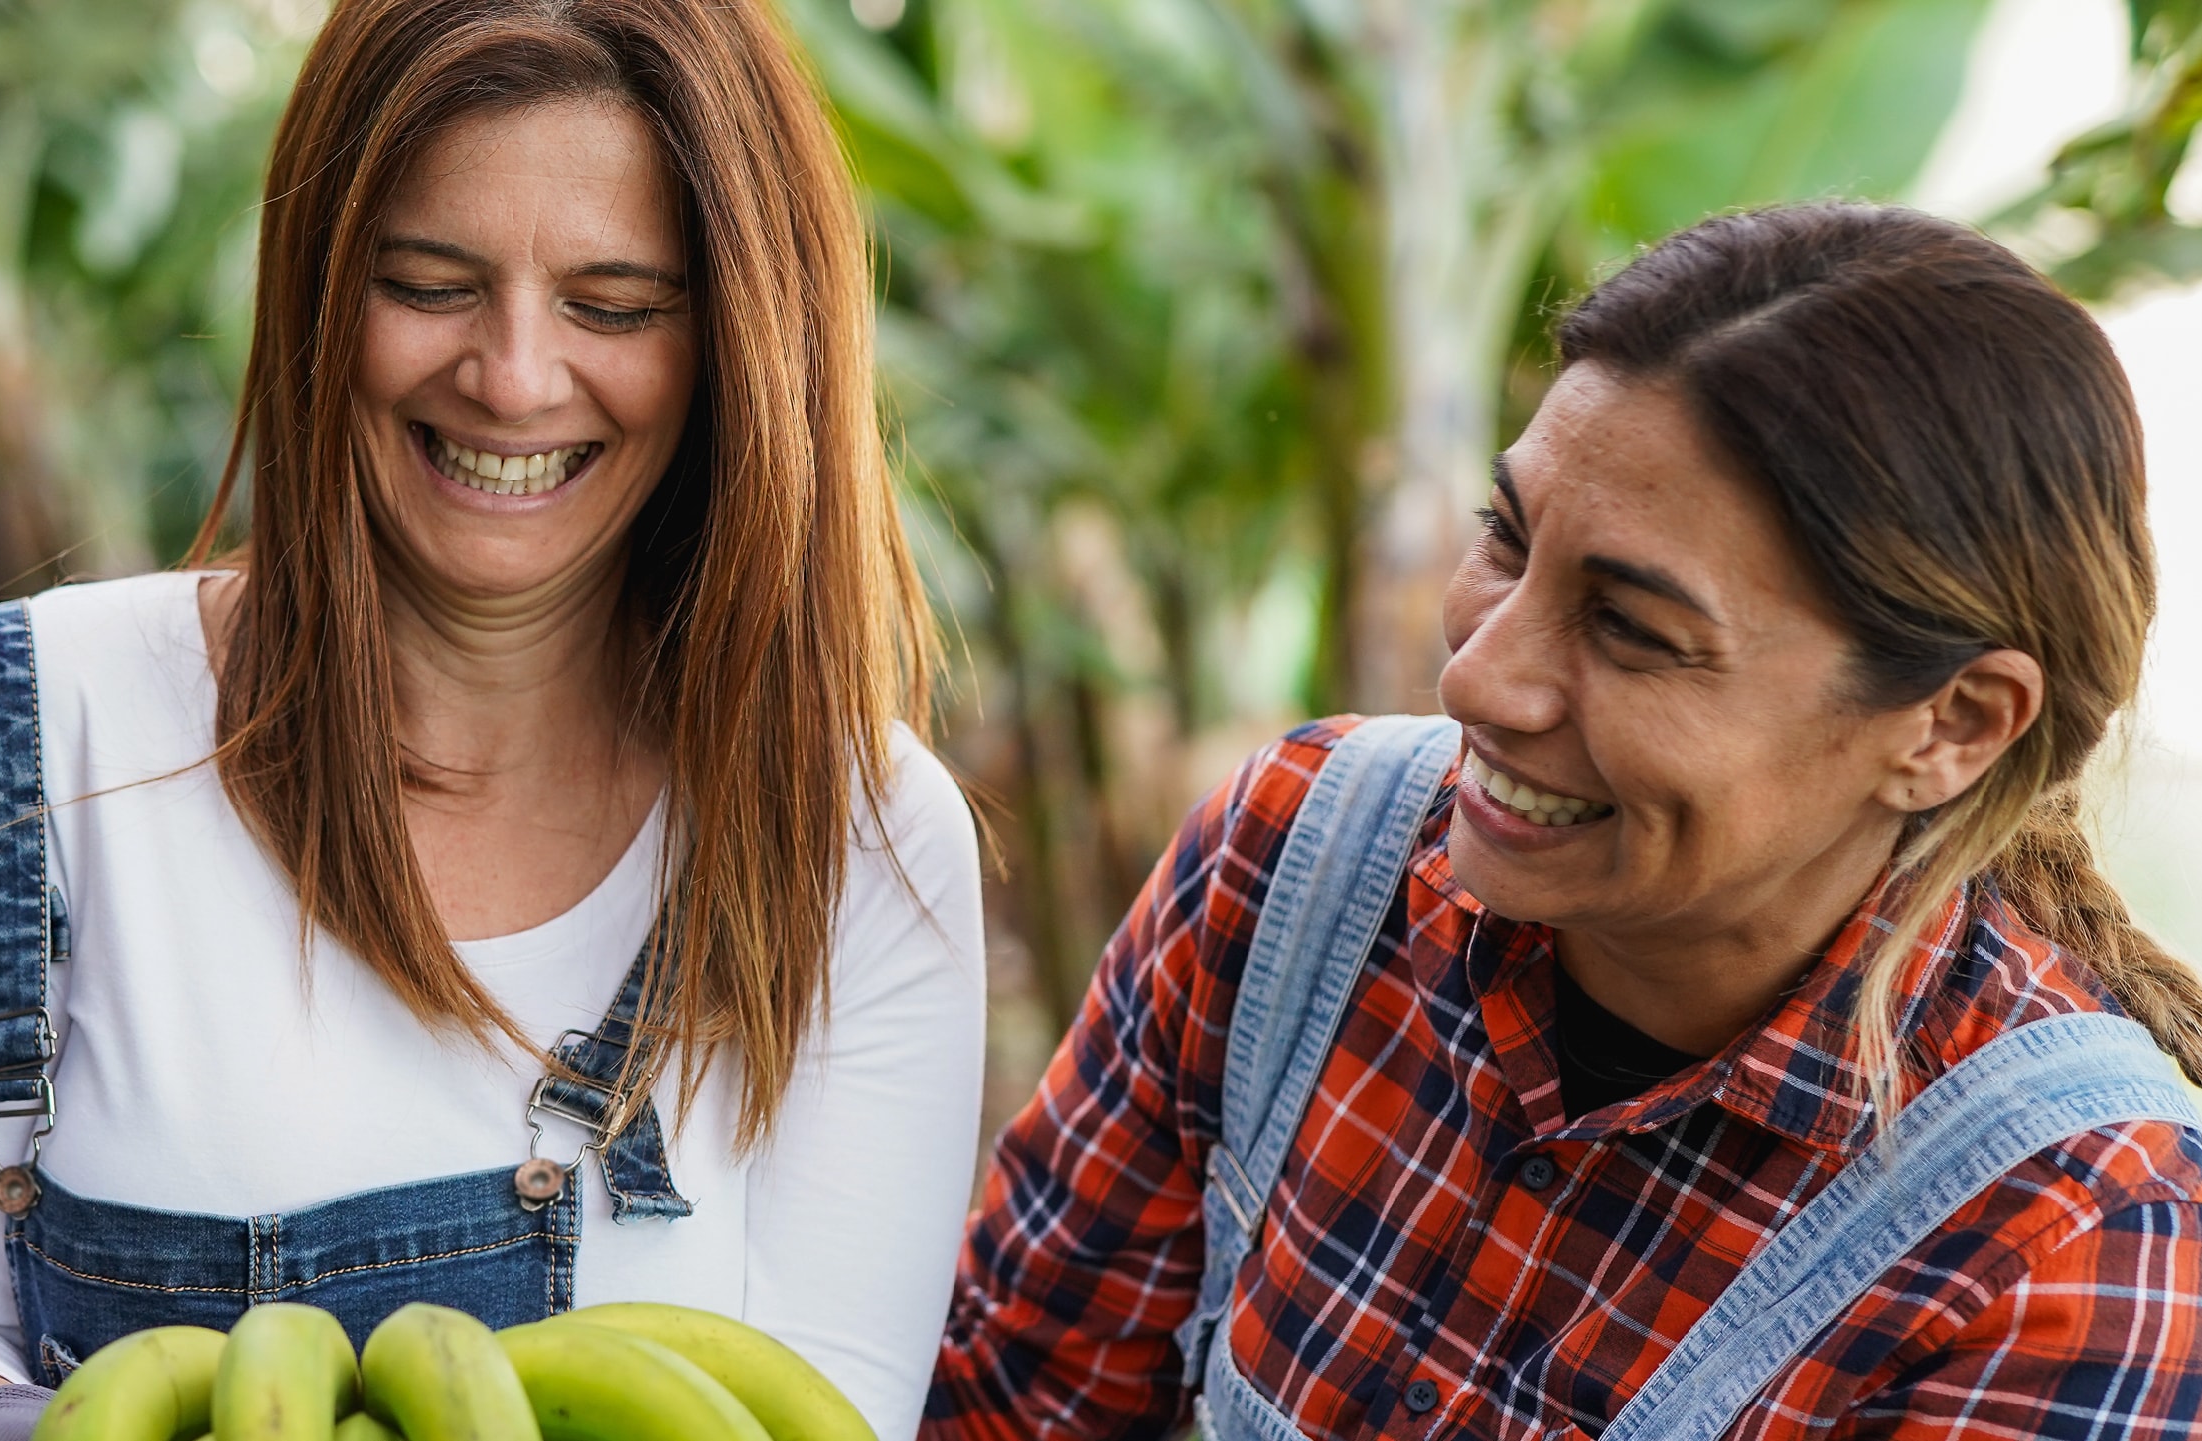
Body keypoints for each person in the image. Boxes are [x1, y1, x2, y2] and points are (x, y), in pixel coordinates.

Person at [0, 0, 987, 1436]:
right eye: (429, 285)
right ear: (319, 291)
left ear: (735, 344)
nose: (511, 378)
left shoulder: (857, 842)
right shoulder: (43, 731)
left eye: (613, 305)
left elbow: (836, 1403)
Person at [928, 202, 2202, 1440]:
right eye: (1505, 536)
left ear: (1953, 726)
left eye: (1632, 629)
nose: (1478, 678)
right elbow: (1011, 1399)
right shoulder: (1295, 866)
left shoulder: (2070, 1239)